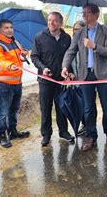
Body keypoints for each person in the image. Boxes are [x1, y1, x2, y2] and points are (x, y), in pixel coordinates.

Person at [61, 3, 107, 152]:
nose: (84, 15)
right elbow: (71, 51)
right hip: (85, 76)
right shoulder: (79, 33)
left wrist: (94, 46)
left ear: (96, 15)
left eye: (87, 13)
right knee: (88, 108)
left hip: (102, 75)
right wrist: (65, 66)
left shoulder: (106, 31)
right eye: (83, 12)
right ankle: (91, 136)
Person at [31, 11, 74, 146]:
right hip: (45, 80)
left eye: (55, 20)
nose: (51, 23)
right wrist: (43, 68)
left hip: (61, 80)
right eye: (49, 20)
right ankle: (46, 134)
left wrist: (70, 72)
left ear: (60, 23)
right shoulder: (39, 37)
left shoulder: (67, 38)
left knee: (62, 107)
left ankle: (63, 132)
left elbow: (69, 57)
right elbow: (34, 56)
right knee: (46, 107)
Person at [0, 19, 31, 148]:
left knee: (14, 109)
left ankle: (13, 131)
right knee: (3, 111)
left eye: (11, 27)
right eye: (6, 28)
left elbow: (20, 58)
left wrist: (25, 54)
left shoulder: (15, 42)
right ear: (0, 30)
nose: (9, 30)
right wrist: (9, 65)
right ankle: (2, 135)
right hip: (3, 84)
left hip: (17, 82)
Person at [69, 20, 87, 136]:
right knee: (78, 104)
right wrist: (70, 72)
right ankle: (83, 124)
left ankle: (89, 126)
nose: (77, 31)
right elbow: (67, 59)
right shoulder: (71, 43)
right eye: (75, 29)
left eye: (80, 29)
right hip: (74, 79)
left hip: (86, 80)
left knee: (87, 105)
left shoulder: (87, 42)